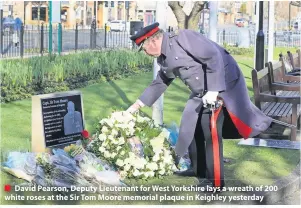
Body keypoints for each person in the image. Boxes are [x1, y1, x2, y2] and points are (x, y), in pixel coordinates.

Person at [126, 22, 273, 188]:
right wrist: (136, 105)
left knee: (210, 131)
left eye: (143, 48)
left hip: (223, 85)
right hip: (201, 91)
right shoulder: (164, 56)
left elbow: (213, 56)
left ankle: (216, 183)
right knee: (191, 125)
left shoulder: (183, 38)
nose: (145, 53)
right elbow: (161, 81)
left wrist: (214, 90)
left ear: (152, 41)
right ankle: (198, 170)